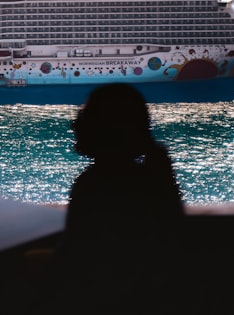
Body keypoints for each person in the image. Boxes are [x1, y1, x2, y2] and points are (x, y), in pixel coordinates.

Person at [53, 83, 184, 313]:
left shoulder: (96, 184)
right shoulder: (146, 182)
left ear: (109, 128)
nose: (75, 123)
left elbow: (74, 262)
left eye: (86, 115)